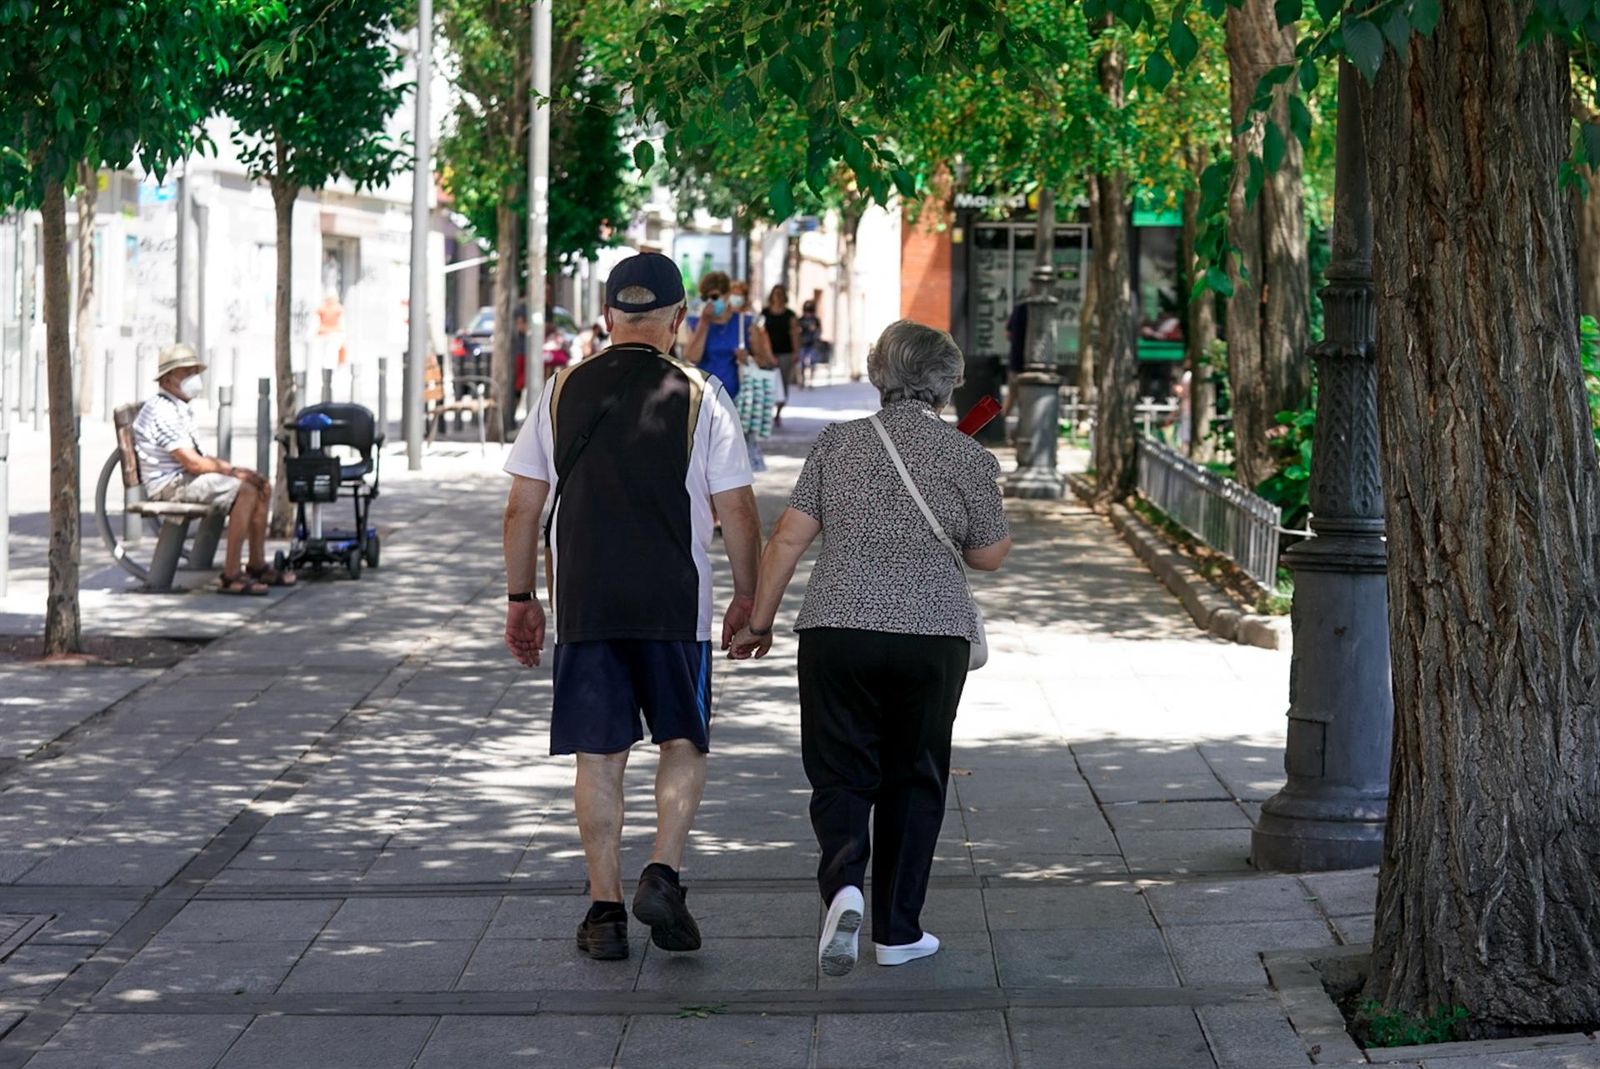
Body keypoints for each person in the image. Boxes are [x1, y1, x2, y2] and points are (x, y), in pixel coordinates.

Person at [729, 319, 1013, 977]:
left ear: (876, 374)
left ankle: (845, 886)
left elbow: (788, 540)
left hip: (837, 627)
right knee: (915, 775)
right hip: (931, 636)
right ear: (946, 382)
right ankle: (897, 929)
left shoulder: (838, 443)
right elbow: (989, 555)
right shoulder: (967, 455)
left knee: (839, 770)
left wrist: (760, 620)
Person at [502, 251, 763, 962]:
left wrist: (522, 597)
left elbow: (522, 509)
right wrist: (750, 597)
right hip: (674, 602)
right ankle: (663, 870)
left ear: (608, 317)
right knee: (683, 738)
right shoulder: (702, 393)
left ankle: (606, 909)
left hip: (586, 601)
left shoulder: (560, 390)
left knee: (599, 752)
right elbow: (736, 508)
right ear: (678, 320)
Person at [131, 343, 295, 596]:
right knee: (245, 490)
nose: (193, 378)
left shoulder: (178, 407)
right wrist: (235, 473)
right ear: (167, 378)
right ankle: (231, 574)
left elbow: (198, 459)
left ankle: (256, 563)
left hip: (184, 478)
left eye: (195, 371)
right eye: (186, 373)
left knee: (260, 486)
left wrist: (234, 470)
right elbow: (192, 462)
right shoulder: (162, 410)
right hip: (171, 485)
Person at [684, 271, 756, 401]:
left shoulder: (742, 321)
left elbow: (762, 359)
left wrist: (745, 358)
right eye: (706, 298)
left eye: (715, 297)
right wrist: (704, 322)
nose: (710, 302)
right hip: (704, 396)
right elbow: (692, 357)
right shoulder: (696, 322)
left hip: (734, 396)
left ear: (727, 295)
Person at [762, 285, 802, 421]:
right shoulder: (764, 313)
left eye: (780, 294)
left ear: (784, 296)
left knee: (783, 383)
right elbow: (759, 333)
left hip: (786, 352)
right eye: (775, 293)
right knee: (767, 382)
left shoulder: (790, 315)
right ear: (771, 296)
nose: (777, 297)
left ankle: (778, 412)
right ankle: (767, 411)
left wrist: (796, 352)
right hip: (767, 353)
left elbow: (794, 334)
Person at [798, 300, 823, 388]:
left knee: (812, 362)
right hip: (802, 344)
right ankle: (802, 380)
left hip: (812, 344)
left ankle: (811, 381)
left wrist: (815, 331)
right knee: (801, 363)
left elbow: (819, 331)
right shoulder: (801, 320)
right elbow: (797, 331)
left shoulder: (815, 320)